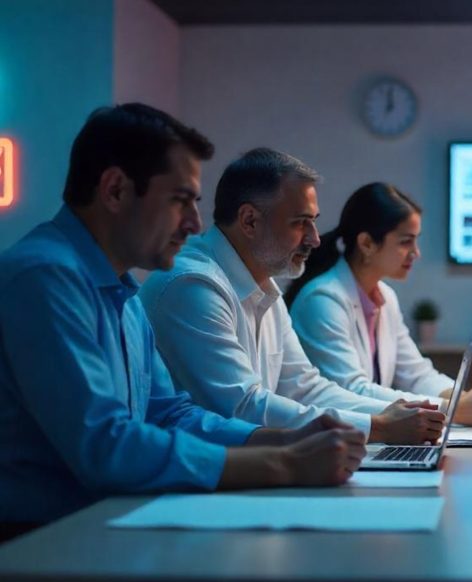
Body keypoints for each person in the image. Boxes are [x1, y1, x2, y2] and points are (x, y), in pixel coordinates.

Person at [0, 105, 366, 535]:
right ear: (116, 190)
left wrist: (282, 438)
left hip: (102, 527)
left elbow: (169, 412)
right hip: (38, 542)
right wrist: (282, 463)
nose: (194, 224)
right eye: (180, 201)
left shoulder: (122, 290)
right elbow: (106, 446)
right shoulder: (44, 276)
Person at [140, 148, 445, 445]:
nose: (314, 238)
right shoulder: (194, 284)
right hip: (196, 484)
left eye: (313, 221)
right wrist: (377, 427)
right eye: (300, 222)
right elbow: (242, 407)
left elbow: (306, 388)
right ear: (249, 221)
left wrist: (401, 417)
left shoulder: (264, 286)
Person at [284, 182, 472, 426]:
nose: (416, 252)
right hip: (328, 440)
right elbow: (352, 389)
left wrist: (465, 400)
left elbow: (416, 373)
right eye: (405, 242)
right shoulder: (323, 300)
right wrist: (452, 409)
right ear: (367, 243)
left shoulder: (385, 296)